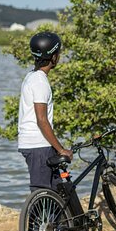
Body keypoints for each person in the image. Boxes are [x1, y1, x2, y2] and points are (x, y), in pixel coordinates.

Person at [18, 31, 72, 191]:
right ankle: (35, 217)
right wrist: (61, 149)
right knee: (41, 192)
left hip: (35, 144)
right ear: (54, 57)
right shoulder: (40, 82)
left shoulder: (31, 76)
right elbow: (41, 120)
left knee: (56, 190)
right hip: (38, 145)